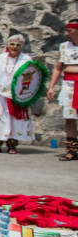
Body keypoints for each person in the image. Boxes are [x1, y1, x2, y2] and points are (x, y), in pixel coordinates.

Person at [0, 34, 34, 154]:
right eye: (12, 44)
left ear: (22, 46)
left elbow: (31, 77)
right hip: (1, 93)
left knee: (14, 120)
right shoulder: (1, 58)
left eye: (18, 45)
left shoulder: (26, 60)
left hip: (16, 95)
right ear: (8, 45)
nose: (15, 47)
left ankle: (12, 145)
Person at [47, 19, 78, 161]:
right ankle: (71, 150)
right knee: (70, 118)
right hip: (69, 85)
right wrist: (52, 86)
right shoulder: (64, 47)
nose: (66, 34)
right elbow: (59, 68)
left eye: (69, 31)